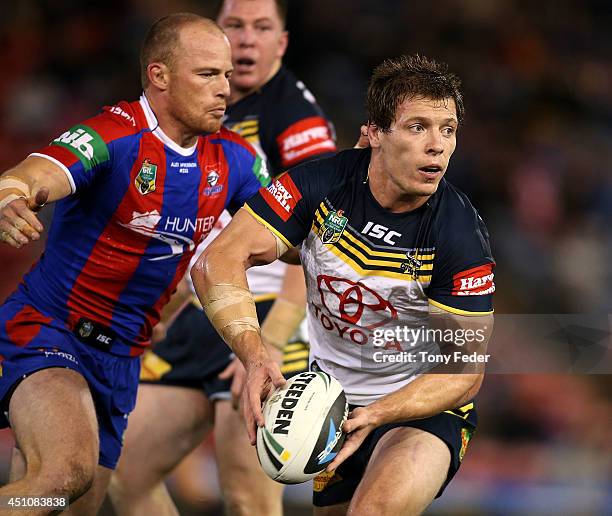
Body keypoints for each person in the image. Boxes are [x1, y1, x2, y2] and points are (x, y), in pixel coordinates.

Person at [192, 54, 495, 515]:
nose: (437, 146)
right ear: (374, 132)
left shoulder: (459, 234)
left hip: (421, 411)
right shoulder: (319, 184)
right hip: (331, 404)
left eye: (447, 129)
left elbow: (463, 374)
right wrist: (255, 356)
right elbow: (217, 259)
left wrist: (375, 415)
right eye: (418, 127)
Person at [0, 13, 270, 515]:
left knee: (47, 496)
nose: (224, 90)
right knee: (65, 475)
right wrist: (11, 197)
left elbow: (292, 233)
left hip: (122, 360)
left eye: (228, 76)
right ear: (160, 75)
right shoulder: (112, 136)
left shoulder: (235, 160)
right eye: (207, 74)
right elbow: (33, 174)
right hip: (51, 333)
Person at [109, 1, 336, 515]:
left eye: (263, 28)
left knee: (248, 497)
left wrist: (271, 342)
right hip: (208, 309)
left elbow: (322, 240)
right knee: (126, 475)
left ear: (282, 42)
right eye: (235, 26)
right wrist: (167, 307)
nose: (248, 39)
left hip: (273, 316)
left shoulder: (298, 122)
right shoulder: (210, 106)